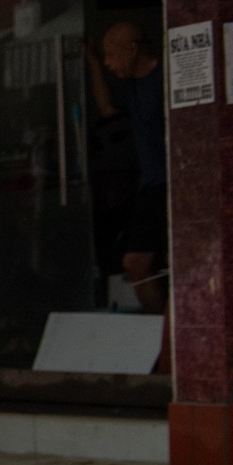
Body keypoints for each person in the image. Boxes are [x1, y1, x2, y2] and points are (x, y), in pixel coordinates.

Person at [90, 19, 167, 316]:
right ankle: (160, 334)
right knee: (134, 263)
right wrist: (94, 60)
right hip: (149, 187)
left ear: (133, 50)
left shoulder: (164, 79)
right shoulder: (132, 88)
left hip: (171, 184)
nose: (109, 63)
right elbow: (107, 106)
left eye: (112, 54)